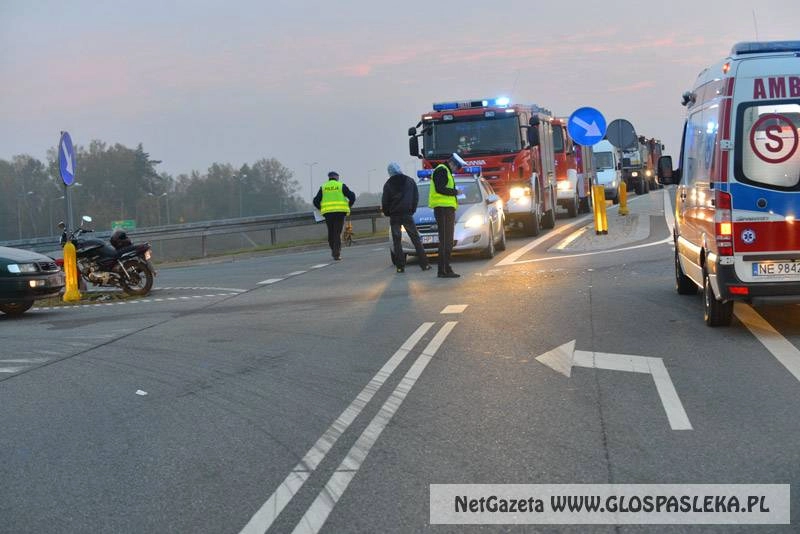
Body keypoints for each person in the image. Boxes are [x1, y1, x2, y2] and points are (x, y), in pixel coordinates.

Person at [381, 162, 431, 274]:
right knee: (416, 239)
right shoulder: (410, 181)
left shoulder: (388, 184)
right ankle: (425, 264)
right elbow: (415, 197)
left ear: (389, 172)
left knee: (397, 241)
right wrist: (412, 210)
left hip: (394, 216)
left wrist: (388, 212)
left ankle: (400, 267)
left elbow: (385, 202)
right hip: (407, 214)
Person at [430, 153, 465, 278]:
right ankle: (443, 270)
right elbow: (440, 188)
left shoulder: (445, 171)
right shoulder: (441, 170)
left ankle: (446, 268)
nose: (456, 170)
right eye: (457, 167)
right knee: (445, 241)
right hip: (442, 209)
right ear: (452, 163)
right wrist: (456, 192)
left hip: (446, 209)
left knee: (447, 241)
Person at [313, 171, 356, 261]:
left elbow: (316, 200)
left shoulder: (324, 187)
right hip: (340, 212)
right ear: (337, 177)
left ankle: (333, 250)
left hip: (328, 213)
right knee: (337, 233)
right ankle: (336, 254)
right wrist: (349, 206)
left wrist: (321, 209)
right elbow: (352, 196)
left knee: (331, 232)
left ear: (329, 178)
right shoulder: (341, 185)